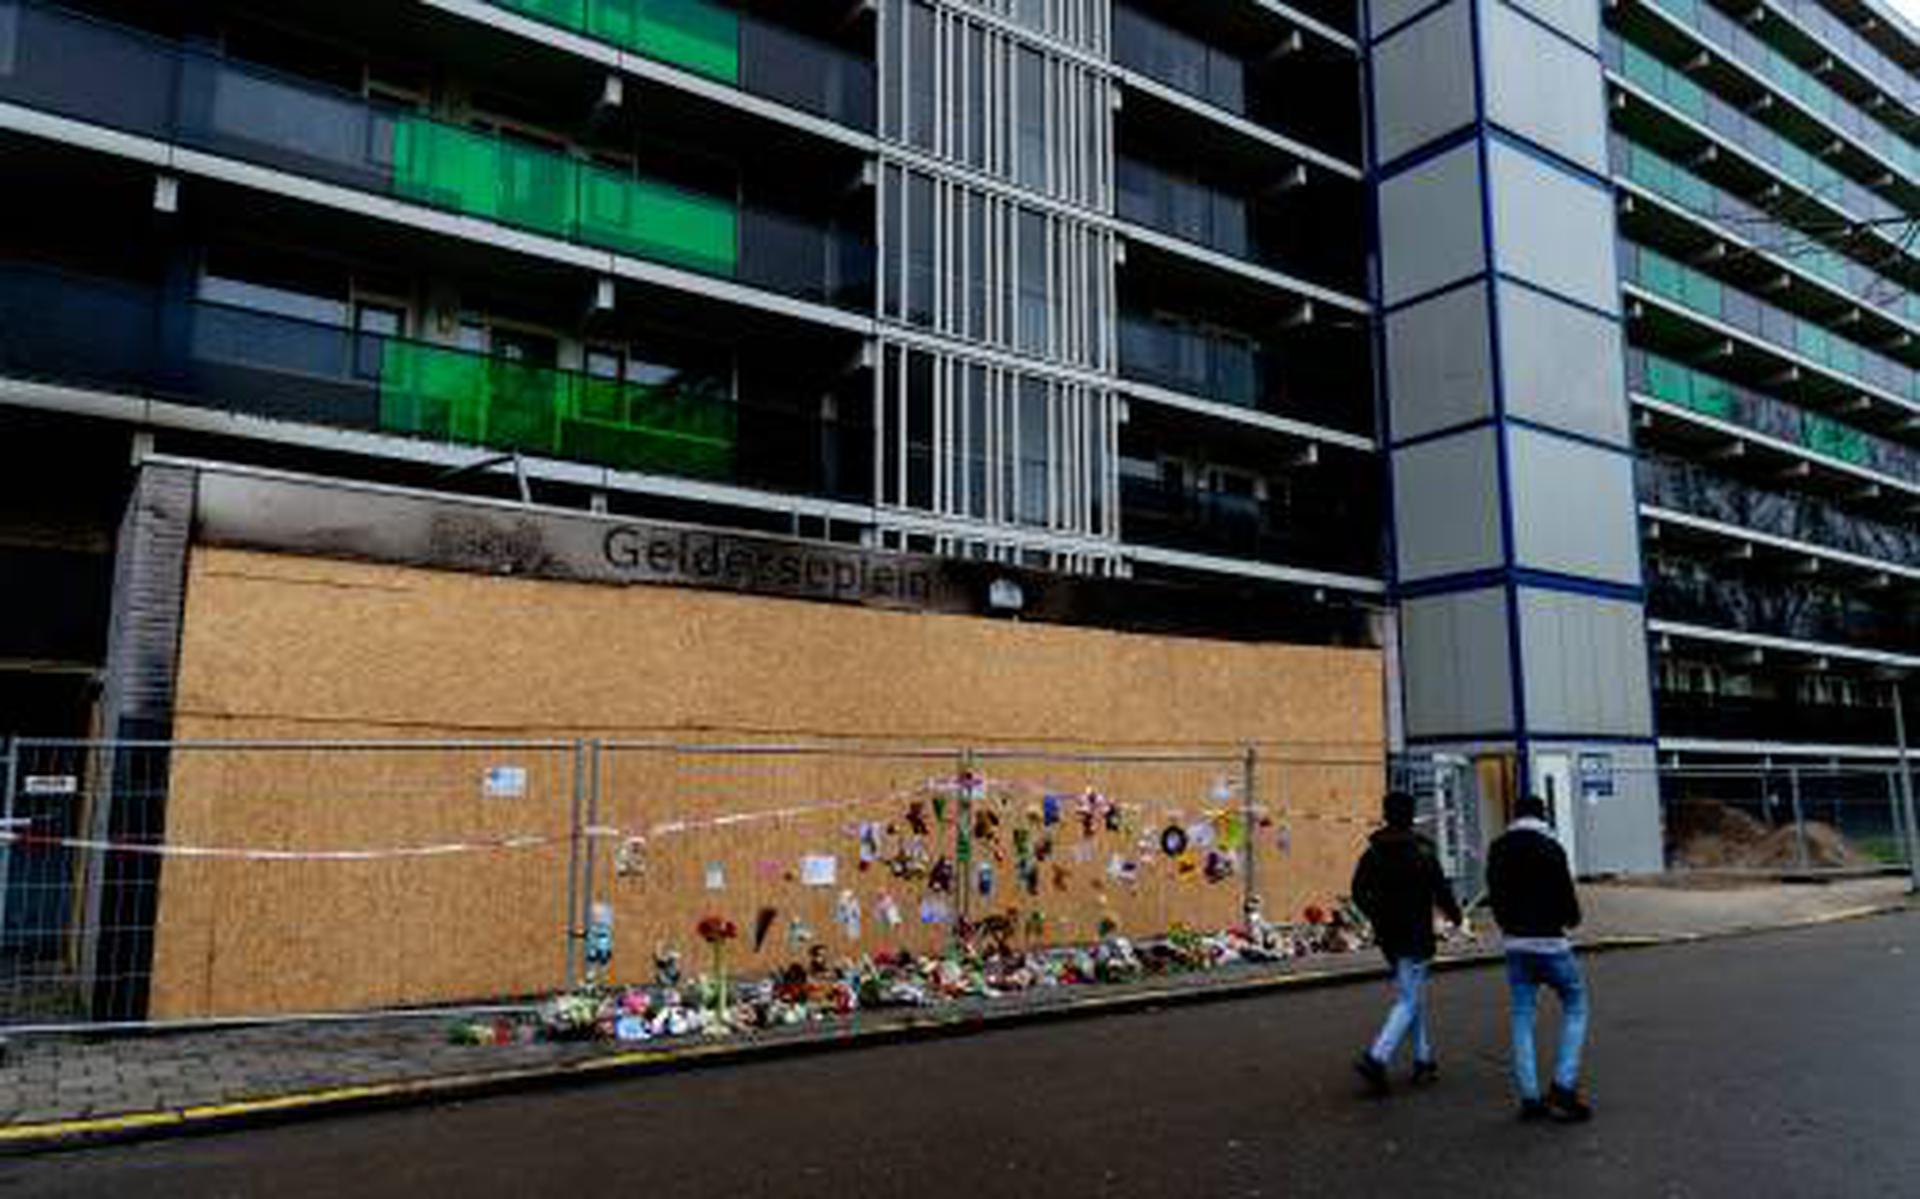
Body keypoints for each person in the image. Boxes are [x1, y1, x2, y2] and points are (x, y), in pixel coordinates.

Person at [1486, 794, 1593, 1123]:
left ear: (1514, 816)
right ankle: (1562, 1085)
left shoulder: (1498, 848)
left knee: (1522, 1017)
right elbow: (1567, 901)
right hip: (1551, 943)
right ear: (1542, 815)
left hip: (1516, 945)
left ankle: (1530, 1096)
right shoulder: (1552, 849)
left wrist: (1507, 925)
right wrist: (1571, 919)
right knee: (1575, 1005)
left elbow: (1494, 896)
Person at [1350, 790, 1462, 1095]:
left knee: (1411, 996)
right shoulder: (1422, 850)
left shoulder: (1373, 852)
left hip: (1389, 935)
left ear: (1386, 814)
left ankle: (1423, 1060)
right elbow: (1440, 888)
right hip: (1416, 933)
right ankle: (1377, 1057)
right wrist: (1456, 916)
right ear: (1411, 815)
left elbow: (1358, 890)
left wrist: (1376, 914)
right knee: (1410, 1000)